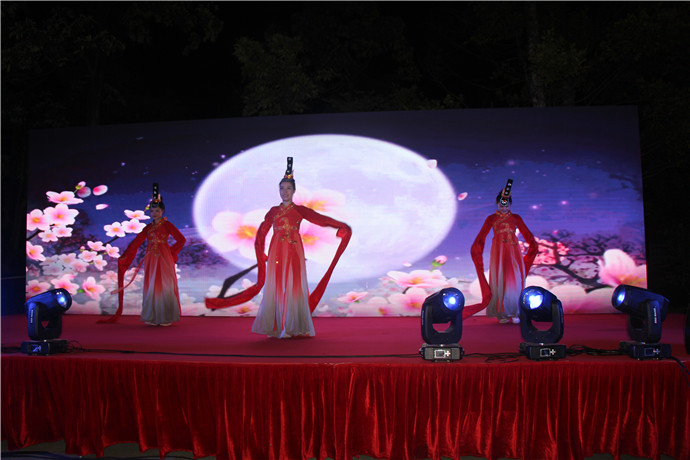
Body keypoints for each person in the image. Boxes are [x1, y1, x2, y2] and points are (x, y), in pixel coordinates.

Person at [205, 157, 352, 338]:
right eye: (282, 188)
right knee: (276, 284)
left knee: (294, 284)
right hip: (276, 251)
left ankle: (293, 326)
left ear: (294, 191)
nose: (285, 192)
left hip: (294, 251)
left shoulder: (300, 210)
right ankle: (276, 326)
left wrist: (341, 227)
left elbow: (322, 220)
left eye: (288, 188)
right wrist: (260, 252)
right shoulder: (273, 211)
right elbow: (262, 232)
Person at [99, 184, 186, 325]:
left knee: (165, 284)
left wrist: (171, 251)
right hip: (151, 257)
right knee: (152, 284)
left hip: (164, 257)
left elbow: (181, 239)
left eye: (157, 211)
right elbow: (136, 243)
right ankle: (152, 316)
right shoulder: (148, 228)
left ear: (162, 211)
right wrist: (125, 256)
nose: (154, 213)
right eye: (152, 211)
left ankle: (165, 316)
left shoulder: (167, 225)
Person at [463, 179, 537, 323]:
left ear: (510, 204)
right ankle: (501, 313)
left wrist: (533, 246)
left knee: (514, 280)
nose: (504, 208)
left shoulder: (516, 218)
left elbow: (527, 234)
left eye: (507, 205)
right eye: (501, 205)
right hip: (499, 252)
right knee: (500, 280)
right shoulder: (491, 218)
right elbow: (482, 236)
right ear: (497, 204)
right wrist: (476, 248)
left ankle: (514, 312)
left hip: (514, 252)